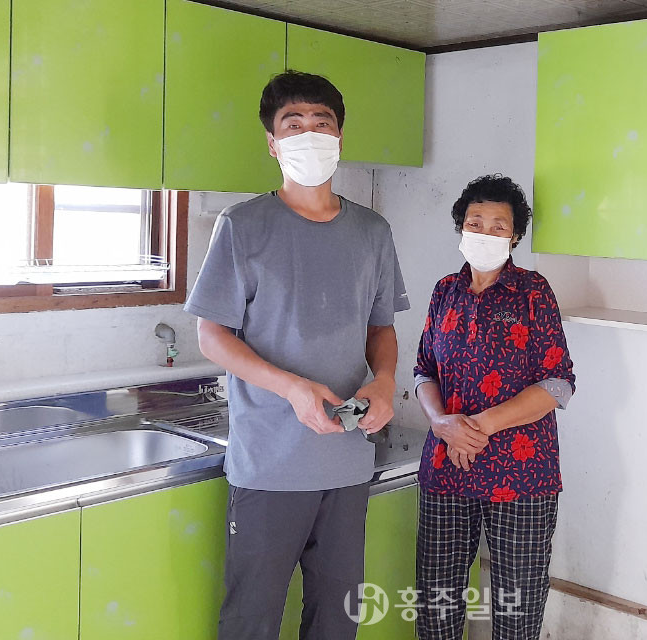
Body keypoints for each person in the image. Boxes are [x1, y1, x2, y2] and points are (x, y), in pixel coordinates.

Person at [184, 70, 410, 640]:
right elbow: (212, 335)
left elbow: (381, 328)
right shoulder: (243, 227)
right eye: (294, 125)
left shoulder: (372, 232)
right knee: (251, 620)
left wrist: (385, 380)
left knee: (337, 619)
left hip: (347, 459)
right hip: (270, 463)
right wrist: (291, 387)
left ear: (340, 137)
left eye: (322, 123)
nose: (309, 134)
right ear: (273, 142)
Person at [413, 175, 575, 640]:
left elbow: (558, 383)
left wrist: (477, 426)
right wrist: (441, 423)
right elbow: (423, 371)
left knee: (516, 612)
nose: (485, 232)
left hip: (520, 474)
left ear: (515, 236)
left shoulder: (533, 292)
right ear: (461, 228)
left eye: (498, 225)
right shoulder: (445, 291)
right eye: (475, 222)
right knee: (436, 607)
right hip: (447, 468)